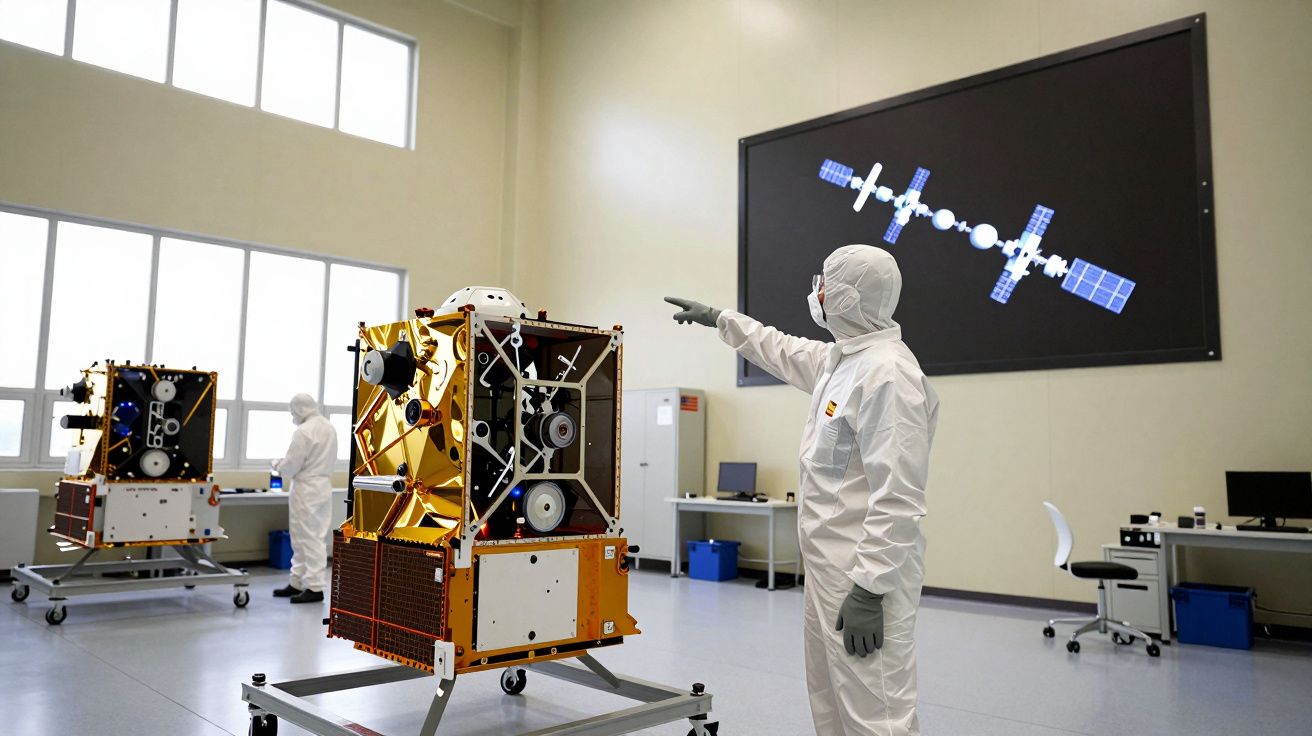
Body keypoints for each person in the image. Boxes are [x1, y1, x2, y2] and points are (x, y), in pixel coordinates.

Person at [665, 244, 938, 736]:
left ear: (849, 298)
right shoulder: (842, 361)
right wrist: (720, 318)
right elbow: (780, 348)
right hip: (828, 572)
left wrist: (870, 588)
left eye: (826, 283)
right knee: (829, 701)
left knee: (876, 715)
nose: (817, 291)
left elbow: (898, 496)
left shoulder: (889, 374)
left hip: (862, 577)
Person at [272, 393, 339, 604]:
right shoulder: (329, 428)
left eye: (293, 411)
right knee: (307, 536)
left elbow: (291, 466)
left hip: (306, 489)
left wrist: (277, 465)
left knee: (307, 538)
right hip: (322, 487)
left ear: (300, 409)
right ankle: (297, 581)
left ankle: (314, 587)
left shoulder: (303, 432)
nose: (293, 415)